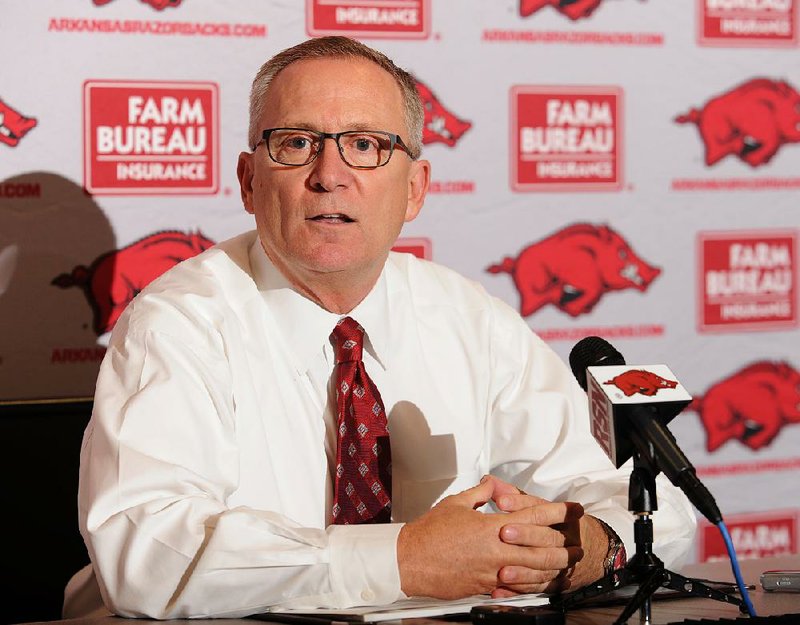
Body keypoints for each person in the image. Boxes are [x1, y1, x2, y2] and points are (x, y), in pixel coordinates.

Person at [65, 36, 696, 619]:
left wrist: (585, 547)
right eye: (295, 143)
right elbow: (143, 554)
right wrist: (405, 560)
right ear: (250, 182)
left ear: (415, 188)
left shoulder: (468, 319)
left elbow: (663, 511)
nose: (330, 174)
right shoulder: (177, 322)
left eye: (366, 145)